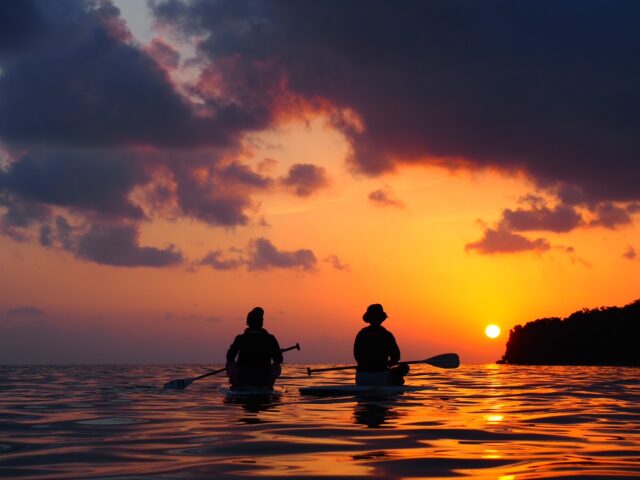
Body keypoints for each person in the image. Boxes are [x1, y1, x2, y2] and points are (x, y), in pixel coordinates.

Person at [226, 307, 283, 388]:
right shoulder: (270, 338)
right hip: (264, 380)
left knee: (229, 364)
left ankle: (237, 383)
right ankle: (268, 385)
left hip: (243, 378)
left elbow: (229, 357)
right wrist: (277, 352)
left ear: (248, 322)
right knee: (277, 365)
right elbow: (279, 359)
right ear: (261, 322)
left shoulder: (240, 338)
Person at [354, 304, 409, 386]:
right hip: (380, 377)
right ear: (382, 319)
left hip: (361, 378)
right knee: (404, 367)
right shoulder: (386, 334)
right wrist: (389, 363)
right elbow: (396, 356)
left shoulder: (361, 334)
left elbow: (356, 355)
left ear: (368, 319)